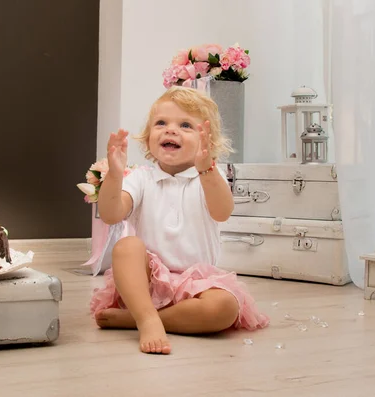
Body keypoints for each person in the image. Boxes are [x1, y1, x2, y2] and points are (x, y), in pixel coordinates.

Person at [91, 86, 270, 355]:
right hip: (146, 282)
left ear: (207, 142)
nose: (170, 130)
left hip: (196, 287)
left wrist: (207, 169)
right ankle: (147, 317)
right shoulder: (141, 178)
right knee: (127, 246)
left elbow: (222, 211)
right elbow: (111, 214)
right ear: (149, 135)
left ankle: (137, 319)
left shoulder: (209, 176)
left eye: (185, 125)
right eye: (161, 123)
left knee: (224, 307)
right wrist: (115, 175)